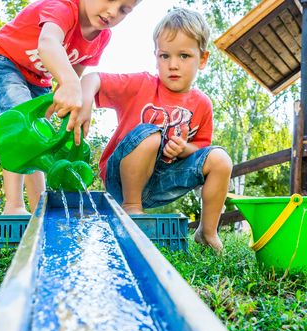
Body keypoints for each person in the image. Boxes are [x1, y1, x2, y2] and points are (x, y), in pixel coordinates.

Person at [79, 8, 232, 251]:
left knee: (221, 159)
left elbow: (202, 147)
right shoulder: (141, 84)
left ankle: (207, 231)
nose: (173, 65)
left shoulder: (202, 103)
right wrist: (85, 100)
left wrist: (183, 149)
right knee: (150, 133)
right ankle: (131, 209)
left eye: (184, 56)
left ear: (202, 60)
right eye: (164, 56)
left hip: (163, 181)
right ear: (156, 56)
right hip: (121, 178)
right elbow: (92, 79)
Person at [0, 0, 141, 215]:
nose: (112, 12)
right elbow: (48, 43)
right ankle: (14, 206)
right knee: (17, 130)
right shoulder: (63, 7)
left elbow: (76, 70)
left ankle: (40, 206)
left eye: (124, 10)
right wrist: (70, 84)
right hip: (6, 61)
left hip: (39, 78)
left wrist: (67, 100)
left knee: (41, 137)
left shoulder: (101, 37)